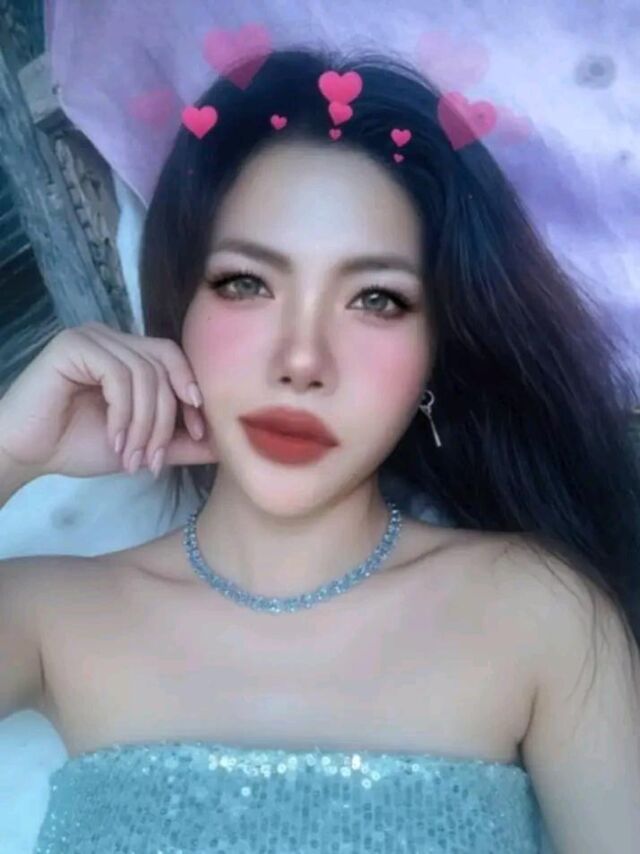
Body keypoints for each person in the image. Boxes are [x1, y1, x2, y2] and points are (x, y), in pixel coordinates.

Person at [1, 45, 639, 854]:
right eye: (246, 283)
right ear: (178, 309)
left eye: (376, 299)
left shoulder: (543, 615)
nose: (302, 360)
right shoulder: (53, 616)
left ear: (436, 352)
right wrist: (11, 451)